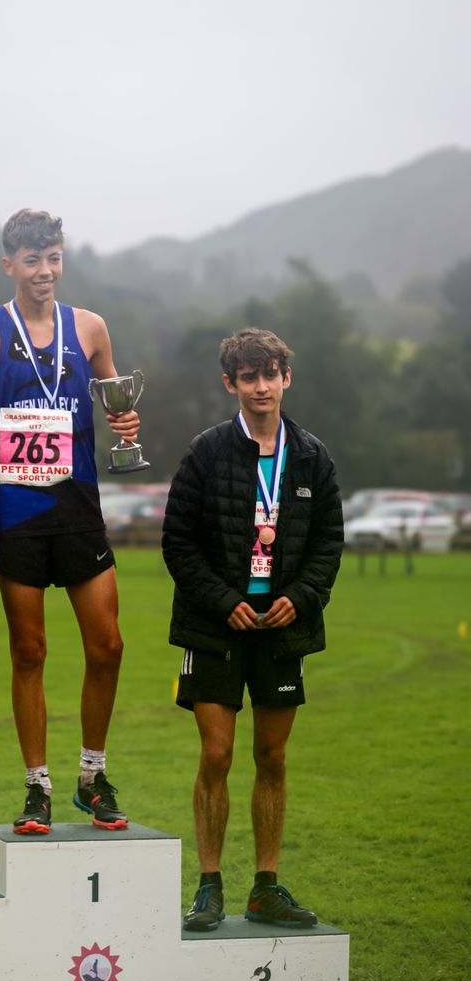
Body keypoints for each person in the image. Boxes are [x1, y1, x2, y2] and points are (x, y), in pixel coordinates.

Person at [0, 208, 139, 835]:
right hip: (16, 514)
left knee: (107, 646)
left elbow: (115, 400)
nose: (44, 271)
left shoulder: (89, 327)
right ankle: (38, 787)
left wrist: (126, 426)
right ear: (9, 265)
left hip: (78, 506)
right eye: (32, 260)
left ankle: (92, 774)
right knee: (29, 651)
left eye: (53, 258)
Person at [162, 328, 343, 930]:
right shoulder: (206, 452)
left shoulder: (313, 457)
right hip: (215, 627)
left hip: (281, 628)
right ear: (230, 384)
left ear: (286, 378)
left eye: (271, 374)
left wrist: (302, 595)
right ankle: (209, 885)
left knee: (272, 756)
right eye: (249, 376)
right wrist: (221, 601)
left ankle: (265, 886)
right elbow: (177, 543)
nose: (261, 386)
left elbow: (327, 544)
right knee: (216, 753)